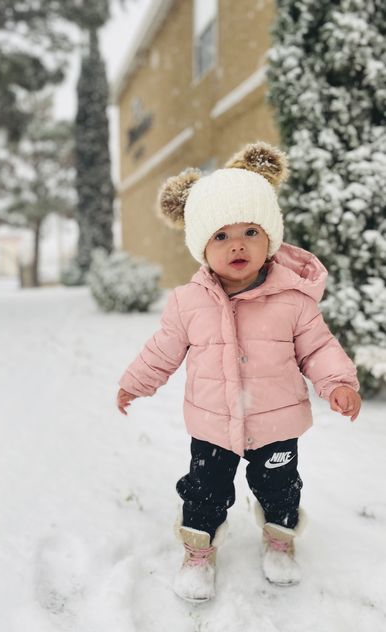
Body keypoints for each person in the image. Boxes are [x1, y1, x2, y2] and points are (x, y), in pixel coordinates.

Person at [116, 141, 361, 603]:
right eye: (221, 235)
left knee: (281, 488)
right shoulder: (188, 303)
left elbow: (319, 348)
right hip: (213, 424)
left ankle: (279, 538)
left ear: (271, 237)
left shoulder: (293, 300)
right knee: (203, 491)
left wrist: (338, 382)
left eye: (251, 230)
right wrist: (136, 382)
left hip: (277, 422)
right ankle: (199, 550)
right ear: (201, 246)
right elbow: (162, 350)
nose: (238, 245)